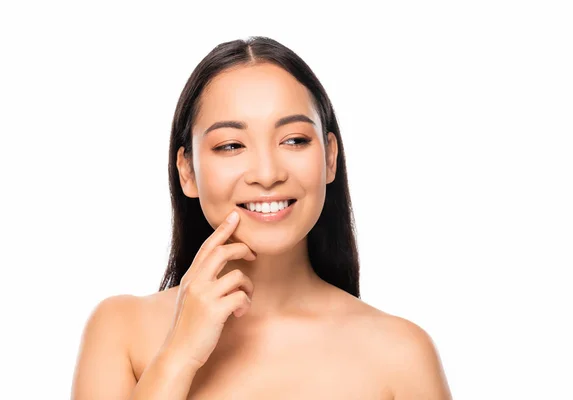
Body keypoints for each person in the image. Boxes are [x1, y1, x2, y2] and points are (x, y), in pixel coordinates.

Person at [71, 36, 452, 399]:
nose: (267, 174)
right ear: (187, 171)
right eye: (231, 145)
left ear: (330, 157)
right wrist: (178, 356)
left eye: (294, 140)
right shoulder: (121, 331)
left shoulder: (402, 355)